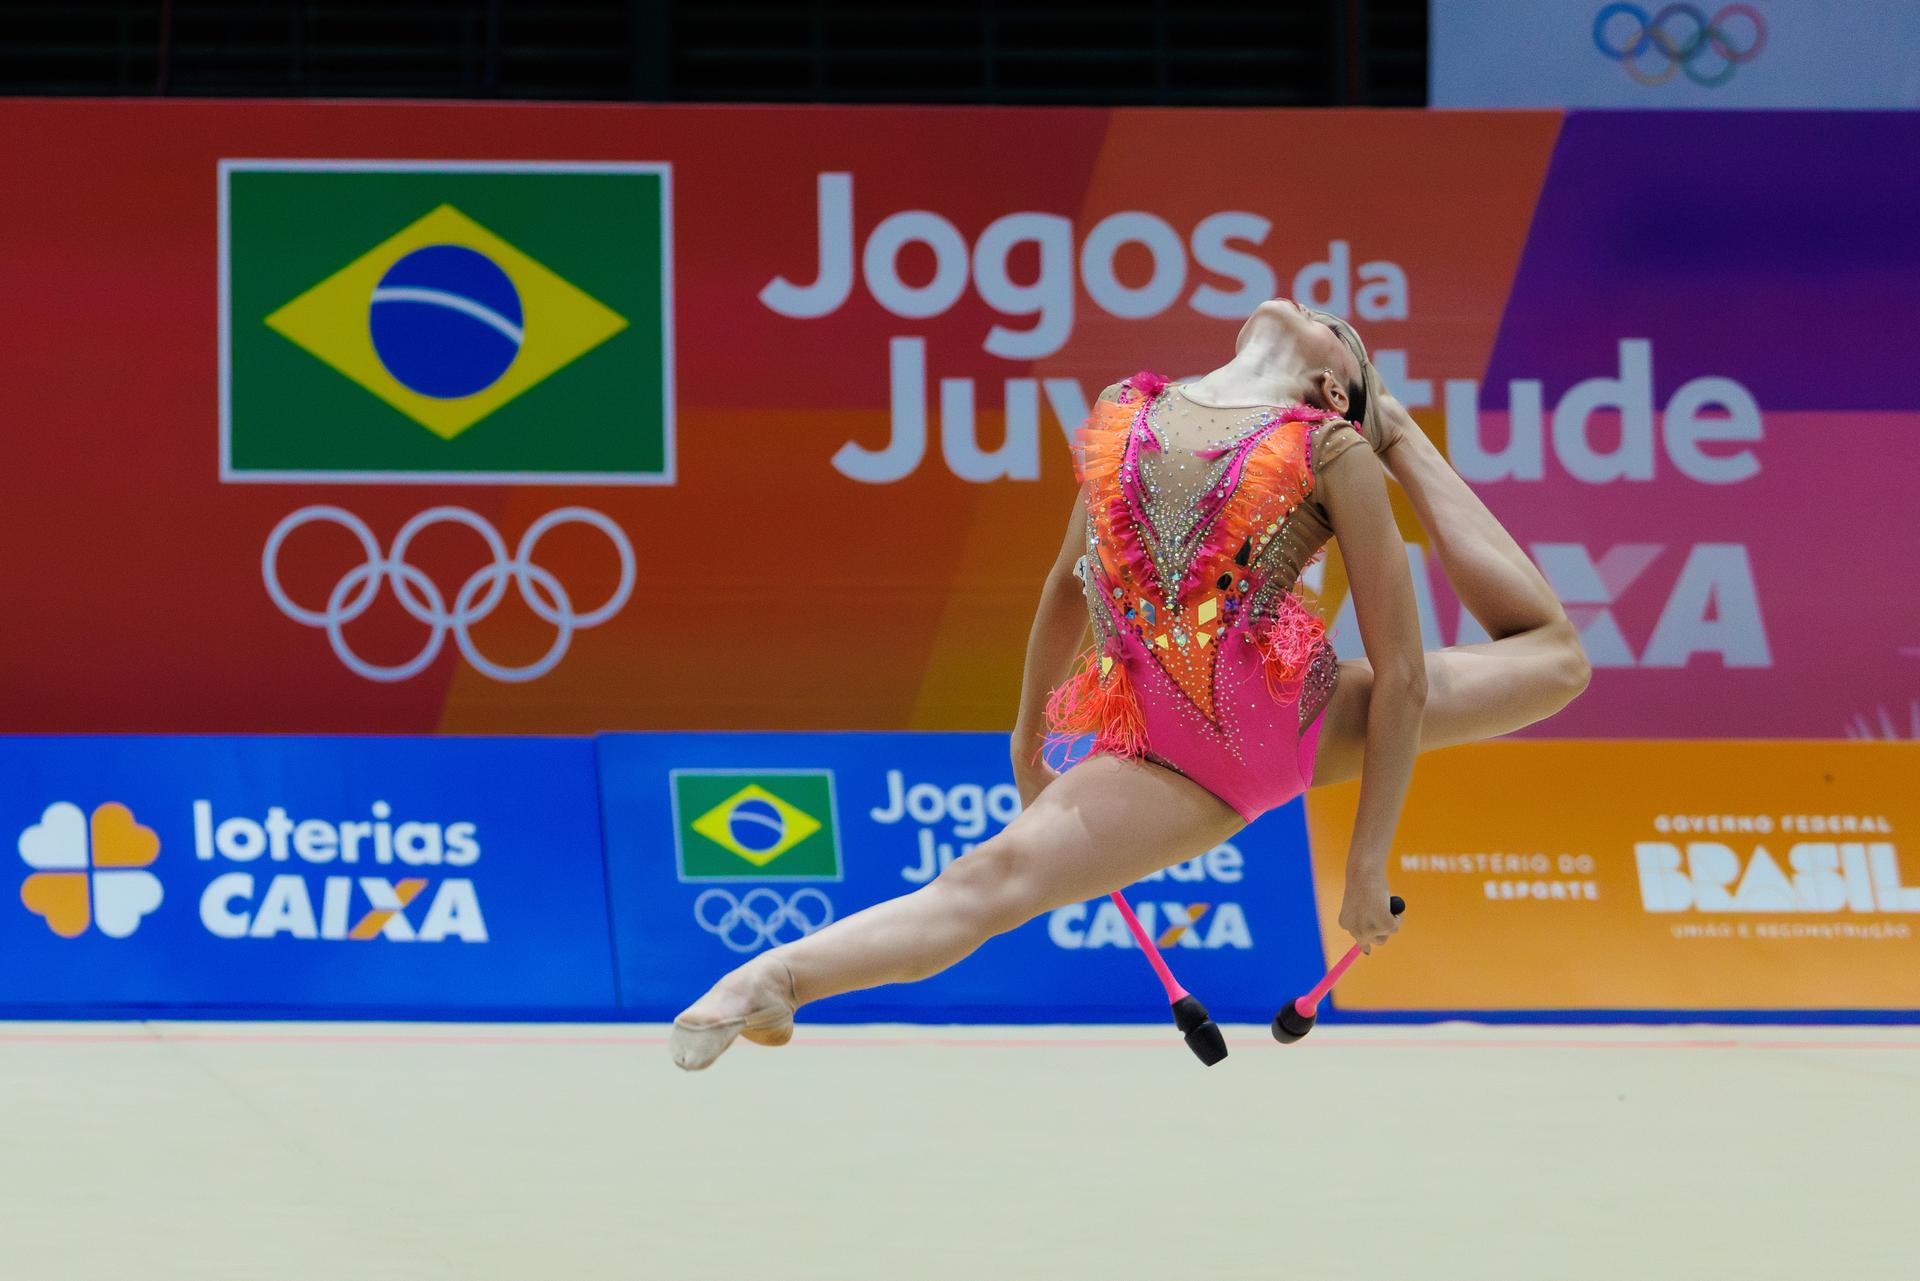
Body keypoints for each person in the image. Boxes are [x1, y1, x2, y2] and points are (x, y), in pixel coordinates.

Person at [669, 299, 1590, 1070]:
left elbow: (1406, 678)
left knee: (1556, 657)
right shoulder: (1127, 410)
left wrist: (1364, 867)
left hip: (1280, 716)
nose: (1311, 304)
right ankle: (770, 980)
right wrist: (1026, 740)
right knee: (984, 881)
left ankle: (776, 979)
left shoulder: (1330, 447)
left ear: (1333, 387)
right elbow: (1065, 587)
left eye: (1335, 326)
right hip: (1174, 747)